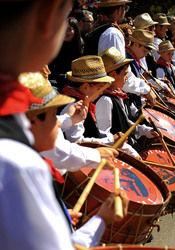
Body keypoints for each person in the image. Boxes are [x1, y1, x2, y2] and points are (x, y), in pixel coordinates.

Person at [0, 0, 125, 249]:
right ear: (47, 17)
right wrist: (100, 220)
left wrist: (67, 119)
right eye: (70, 13)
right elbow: (55, 148)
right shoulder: (18, 165)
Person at [96, 47, 157, 152]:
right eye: (125, 74)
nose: (127, 78)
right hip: (119, 156)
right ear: (113, 75)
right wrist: (131, 152)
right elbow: (104, 137)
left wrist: (147, 131)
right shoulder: (105, 100)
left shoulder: (117, 94)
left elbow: (125, 123)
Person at [49, 17, 84, 92]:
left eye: (68, 29)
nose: (65, 32)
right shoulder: (57, 45)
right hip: (59, 81)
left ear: (75, 30)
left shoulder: (82, 46)